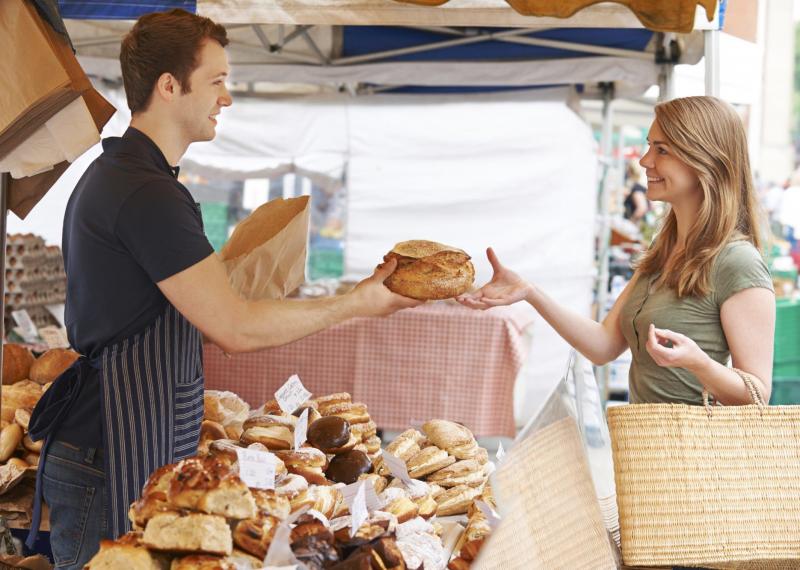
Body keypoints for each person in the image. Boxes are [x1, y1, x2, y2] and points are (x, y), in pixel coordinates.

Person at [26, 9, 420, 568]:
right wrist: (357, 303)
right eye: (216, 81)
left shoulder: (125, 176)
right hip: (109, 450)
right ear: (169, 86)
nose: (227, 98)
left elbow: (194, 312)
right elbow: (232, 327)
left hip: (113, 443)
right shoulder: (145, 193)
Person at [459, 96, 775, 408]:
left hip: (697, 455)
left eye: (661, 150)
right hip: (643, 450)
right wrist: (531, 292)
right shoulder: (663, 250)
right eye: (650, 145)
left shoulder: (737, 261)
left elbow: (758, 394)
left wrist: (699, 364)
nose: (645, 160)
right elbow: (603, 346)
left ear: (704, 160)